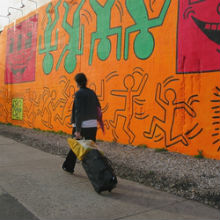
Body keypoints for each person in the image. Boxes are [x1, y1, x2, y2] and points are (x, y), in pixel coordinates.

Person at [62, 72, 101, 174]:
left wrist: (78, 130)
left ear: (77, 83)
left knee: (76, 145)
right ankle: (97, 170)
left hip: (82, 126)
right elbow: (98, 108)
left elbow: (78, 112)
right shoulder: (92, 93)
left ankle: (68, 166)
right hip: (92, 125)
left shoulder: (79, 93)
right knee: (91, 149)